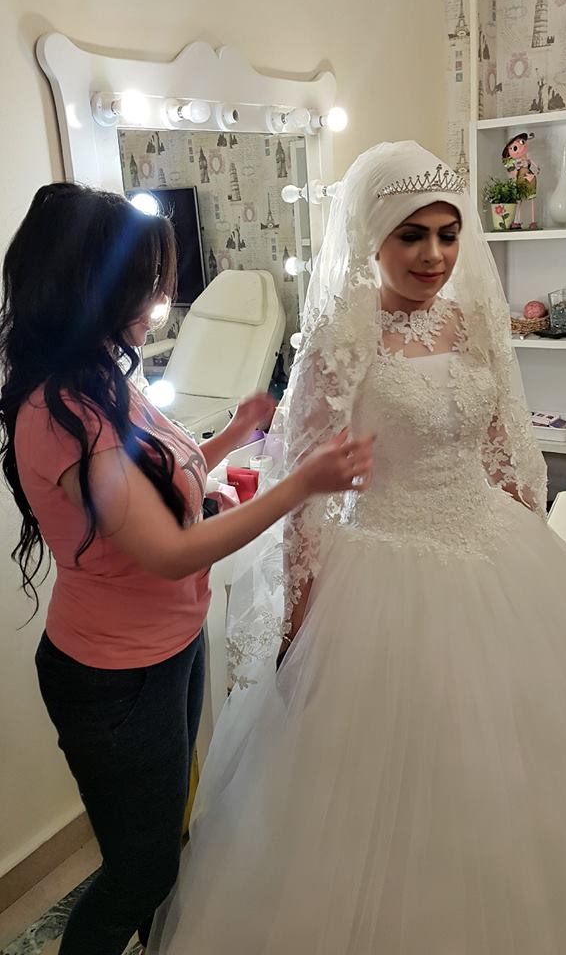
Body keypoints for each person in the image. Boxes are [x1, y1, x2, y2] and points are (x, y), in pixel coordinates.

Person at [149, 143, 566, 955]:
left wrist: (527, 547)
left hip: (489, 548)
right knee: (384, 792)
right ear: (373, 239)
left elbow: (505, 448)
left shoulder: (473, 323)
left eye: (448, 235)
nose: (435, 255)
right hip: (387, 568)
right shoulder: (339, 338)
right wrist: (297, 619)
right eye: (412, 236)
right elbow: (306, 489)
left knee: (511, 774)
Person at [0, 183, 373, 955]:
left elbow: (154, 484)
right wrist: (301, 484)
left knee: (165, 836)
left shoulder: (103, 380)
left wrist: (232, 435)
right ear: (88, 287)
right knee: (140, 872)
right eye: (143, 287)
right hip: (112, 676)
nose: (158, 304)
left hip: (165, 650)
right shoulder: (58, 413)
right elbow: (167, 551)